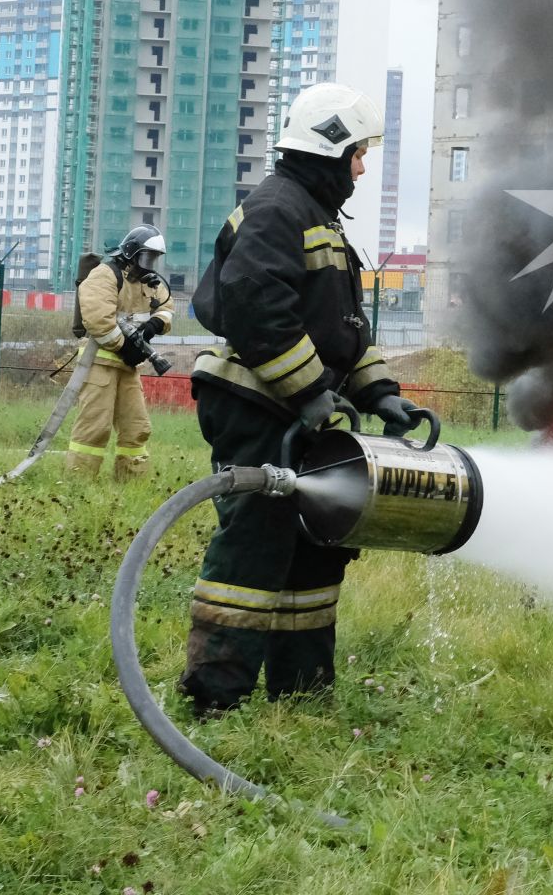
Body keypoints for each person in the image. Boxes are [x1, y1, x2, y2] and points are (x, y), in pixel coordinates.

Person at [177, 82, 424, 715]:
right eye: (359, 153)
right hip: (259, 406)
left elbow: (343, 332)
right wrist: (313, 393)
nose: (363, 168)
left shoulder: (319, 219)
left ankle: (302, 693)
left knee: (316, 547)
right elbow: (258, 307)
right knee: (255, 546)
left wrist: (382, 394)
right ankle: (215, 698)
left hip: (297, 411)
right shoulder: (278, 209)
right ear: (331, 149)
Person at [68, 226, 174, 478]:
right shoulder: (105, 275)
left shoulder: (148, 282)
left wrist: (156, 323)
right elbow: (98, 320)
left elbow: (167, 306)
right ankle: (77, 484)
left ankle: (131, 484)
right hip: (99, 364)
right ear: (131, 253)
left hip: (128, 367)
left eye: (154, 259)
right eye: (147, 257)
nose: (151, 264)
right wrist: (125, 347)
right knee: (94, 427)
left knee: (137, 427)